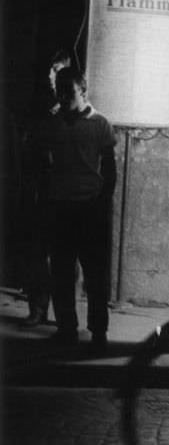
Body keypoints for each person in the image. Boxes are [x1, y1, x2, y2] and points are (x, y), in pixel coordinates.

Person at [33, 66, 117, 354]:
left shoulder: (100, 124)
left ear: (82, 91)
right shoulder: (53, 123)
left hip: (90, 207)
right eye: (60, 91)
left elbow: (110, 169)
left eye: (68, 91)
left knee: (95, 274)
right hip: (61, 207)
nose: (63, 97)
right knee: (62, 272)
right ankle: (67, 328)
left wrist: (103, 200)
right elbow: (42, 162)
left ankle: (98, 332)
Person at [20, 50, 70, 326]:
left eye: (57, 70)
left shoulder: (73, 111)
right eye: (50, 71)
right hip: (43, 187)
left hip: (66, 188)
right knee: (39, 250)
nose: (50, 76)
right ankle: (38, 309)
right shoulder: (42, 106)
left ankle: (64, 315)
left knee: (64, 255)